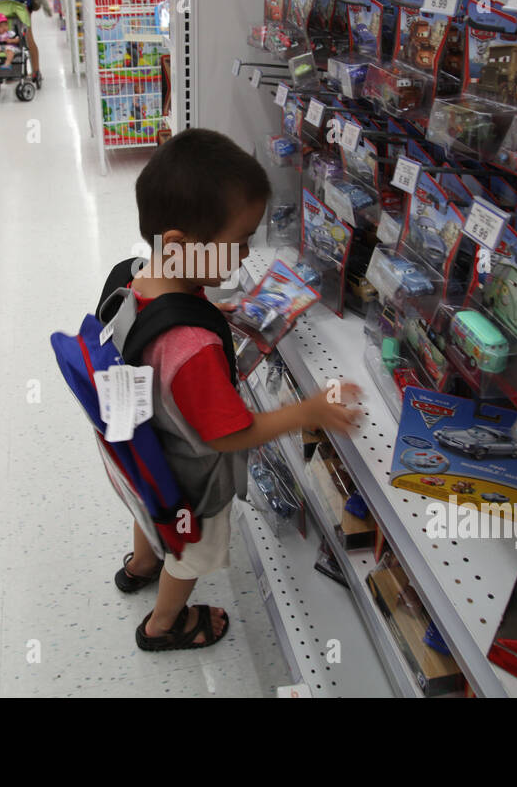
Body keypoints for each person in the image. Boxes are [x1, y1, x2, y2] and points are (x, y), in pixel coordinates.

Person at [111, 129, 361, 650]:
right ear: (180, 246)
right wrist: (307, 410)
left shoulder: (134, 279)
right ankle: (163, 625)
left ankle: (138, 565)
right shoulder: (193, 348)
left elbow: (160, 337)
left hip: (142, 460)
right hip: (190, 485)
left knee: (148, 511)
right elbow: (230, 434)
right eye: (240, 239)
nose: (248, 250)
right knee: (190, 551)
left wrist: (207, 311)